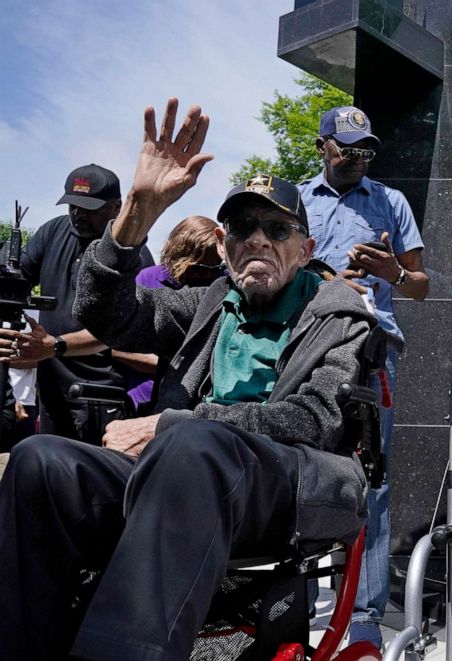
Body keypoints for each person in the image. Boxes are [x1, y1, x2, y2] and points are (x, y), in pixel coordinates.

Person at [0, 99, 373, 661]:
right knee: (39, 462)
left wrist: (179, 422)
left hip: (287, 483)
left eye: (278, 228)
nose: (259, 240)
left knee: (194, 443)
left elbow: (314, 420)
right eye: (243, 227)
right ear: (223, 246)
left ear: (306, 247)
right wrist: (134, 217)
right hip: (180, 471)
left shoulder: (340, 312)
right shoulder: (206, 303)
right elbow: (107, 315)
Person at [298, 104, 429, 647]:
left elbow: (421, 284)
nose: (356, 159)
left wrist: (392, 271)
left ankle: (365, 615)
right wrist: (324, 278)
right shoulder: (296, 200)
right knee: (301, 467)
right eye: (346, 149)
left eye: (366, 150)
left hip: (374, 350)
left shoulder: (391, 201)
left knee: (374, 478)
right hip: (305, 344)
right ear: (323, 147)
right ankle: (294, 602)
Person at [0, 164, 156, 444]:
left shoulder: (133, 253)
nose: (78, 214)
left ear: (116, 207)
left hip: (101, 394)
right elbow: (14, 283)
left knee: (93, 483)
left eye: (90, 208)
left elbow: (122, 329)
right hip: (51, 392)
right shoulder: (54, 231)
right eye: (73, 205)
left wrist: (55, 345)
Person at [129, 215, 224, 409]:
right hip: (145, 399)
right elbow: (118, 350)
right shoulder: (148, 279)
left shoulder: (224, 282)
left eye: (214, 269)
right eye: (199, 269)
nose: (208, 276)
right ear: (179, 258)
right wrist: (181, 367)